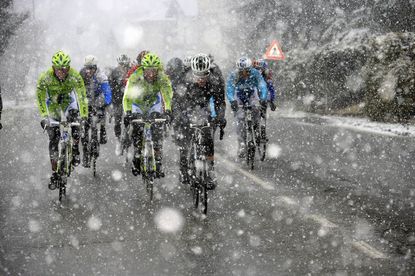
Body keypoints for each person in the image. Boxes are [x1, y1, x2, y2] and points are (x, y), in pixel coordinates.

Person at [36, 50, 88, 189]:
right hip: (52, 104)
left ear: (69, 68)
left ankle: (75, 149)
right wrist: (44, 117)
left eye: (65, 69)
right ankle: (54, 172)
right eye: (58, 69)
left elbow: (82, 97)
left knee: (76, 124)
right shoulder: (45, 78)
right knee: (53, 137)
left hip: (68, 102)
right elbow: (41, 99)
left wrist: (84, 116)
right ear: (53, 68)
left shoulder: (75, 76)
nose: (62, 72)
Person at [174, 53, 224, 189]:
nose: (201, 79)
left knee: (208, 137)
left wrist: (220, 118)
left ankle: (210, 169)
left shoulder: (215, 80)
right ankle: (183, 168)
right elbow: (177, 102)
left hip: (204, 106)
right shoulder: (184, 79)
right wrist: (179, 118)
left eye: (204, 75)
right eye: (198, 75)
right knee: (185, 139)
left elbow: (219, 102)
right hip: (187, 106)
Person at [123, 52, 173, 178]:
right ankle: (137, 155)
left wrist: (167, 111)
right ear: (143, 69)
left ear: (158, 70)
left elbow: (167, 95)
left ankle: (158, 160)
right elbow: (127, 97)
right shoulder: (135, 77)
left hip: (153, 104)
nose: (151, 74)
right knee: (137, 129)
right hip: (137, 104)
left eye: (154, 71)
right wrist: (128, 112)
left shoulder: (162, 77)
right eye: (148, 71)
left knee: (157, 129)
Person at [226, 57, 268, 158]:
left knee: (256, 108)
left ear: (251, 69)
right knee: (240, 118)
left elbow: (262, 85)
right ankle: (242, 144)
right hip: (239, 94)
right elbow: (230, 88)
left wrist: (262, 98)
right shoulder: (234, 75)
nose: (244, 73)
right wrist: (232, 101)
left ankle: (256, 127)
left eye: (247, 71)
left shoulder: (255, 73)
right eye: (242, 71)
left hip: (251, 93)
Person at [79, 55, 112, 167]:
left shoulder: (101, 76)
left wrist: (106, 103)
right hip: (86, 99)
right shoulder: (81, 74)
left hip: (98, 99)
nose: (89, 71)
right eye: (87, 68)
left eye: (91, 68)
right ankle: (85, 154)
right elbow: (76, 90)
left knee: (101, 111)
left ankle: (102, 129)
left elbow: (107, 92)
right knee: (84, 126)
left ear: (96, 67)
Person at [108, 54, 131, 154]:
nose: (123, 67)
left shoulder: (131, 71)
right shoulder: (114, 72)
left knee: (130, 119)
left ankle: (129, 135)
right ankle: (118, 140)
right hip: (118, 99)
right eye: (121, 64)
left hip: (129, 99)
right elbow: (110, 87)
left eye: (125, 65)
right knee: (117, 120)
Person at [253, 58, 277, 141]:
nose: (258, 71)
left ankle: (262, 133)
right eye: (256, 69)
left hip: (263, 99)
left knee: (262, 116)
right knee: (255, 117)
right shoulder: (251, 76)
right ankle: (254, 130)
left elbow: (271, 89)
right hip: (254, 99)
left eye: (260, 69)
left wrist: (271, 101)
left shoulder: (267, 78)